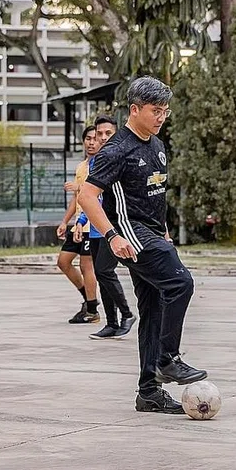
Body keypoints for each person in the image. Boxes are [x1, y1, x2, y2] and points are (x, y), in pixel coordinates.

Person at [79, 77, 207, 412]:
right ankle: (167, 359)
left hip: (151, 232)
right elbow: (87, 196)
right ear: (134, 110)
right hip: (129, 232)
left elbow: (155, 196)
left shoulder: (157, 146)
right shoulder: (116, 150)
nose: (161, 117)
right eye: (155, 111)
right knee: (181, 282)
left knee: (154, 308)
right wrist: (112, 236)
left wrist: (164, 232)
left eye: (165, 111)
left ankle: (149, 392)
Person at [79, 115, 136, 340]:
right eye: (99, 134)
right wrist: (81, 222)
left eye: (107, 133)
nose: (102, 138)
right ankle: (111, 323)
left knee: (104, 270)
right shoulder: (95, 162)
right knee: (101, 274)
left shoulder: (120, 157)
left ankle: (127, 313)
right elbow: (89, 197)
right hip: (95, 228)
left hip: (113, 227)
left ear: (116, 133)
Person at [57, 126, 101, 324]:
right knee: (63, 261)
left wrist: (79, 186)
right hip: (79, 224)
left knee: (86, 265)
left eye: (95, 139)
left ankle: (92, 311)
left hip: (93, 223)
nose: (91, 143)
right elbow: (77, 198)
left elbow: (100, 192)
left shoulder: (101, 165)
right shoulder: (82, 167)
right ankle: (89, 299)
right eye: (88, 139)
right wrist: (65, 221)